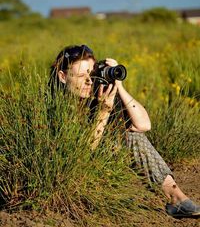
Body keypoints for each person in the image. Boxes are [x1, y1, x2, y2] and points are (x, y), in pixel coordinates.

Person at [48, 44, 200, 218]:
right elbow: (82, 155)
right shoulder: (54, 106)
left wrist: (118, 86)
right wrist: (104, 112)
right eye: (81, 76)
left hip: (104, 166)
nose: (89, 81)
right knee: (124, 136)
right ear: (62, 76)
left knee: (131, 135)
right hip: (72, 176)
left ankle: (177, 199)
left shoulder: (97, 93)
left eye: (91, 74)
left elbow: (143, 125)